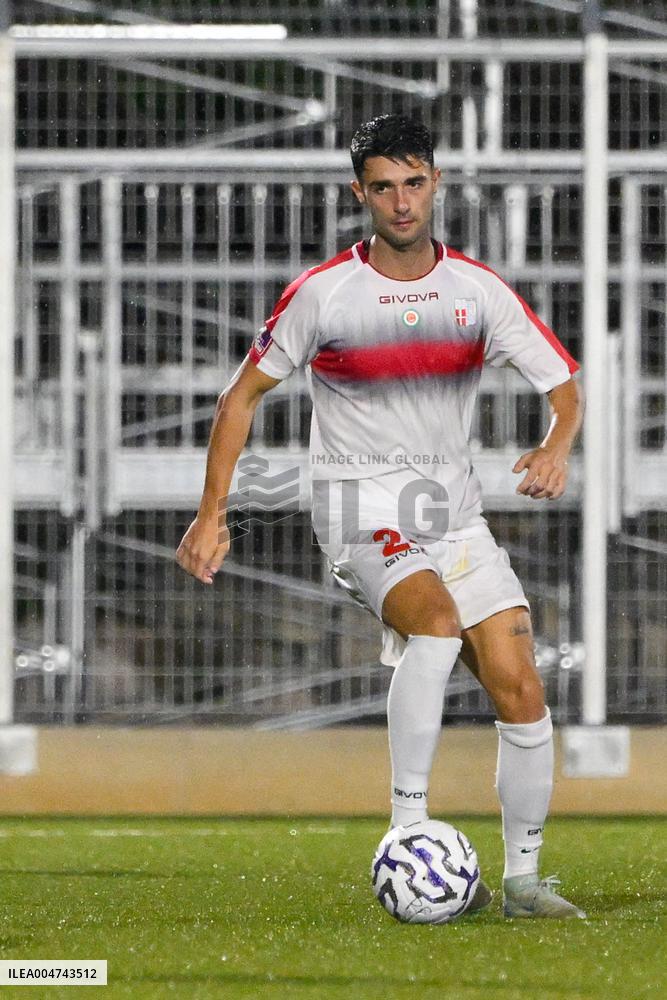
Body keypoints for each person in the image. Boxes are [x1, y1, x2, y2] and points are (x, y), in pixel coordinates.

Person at [176, 114, 585, 919]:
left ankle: (524, 883)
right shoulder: (324, 293)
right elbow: (240, 397)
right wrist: (211, 511)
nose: (400, 201)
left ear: (435, 181)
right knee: (432, 623)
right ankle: (406, 831)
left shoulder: (476, 290)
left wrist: (554, 445)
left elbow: (563, 384)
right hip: (355, 507)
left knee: (521, 691)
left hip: (454, 518)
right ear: (359, 193)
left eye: (413, 182)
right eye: (382, 187)